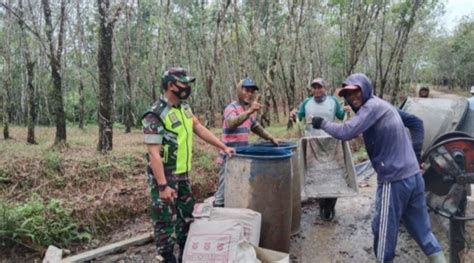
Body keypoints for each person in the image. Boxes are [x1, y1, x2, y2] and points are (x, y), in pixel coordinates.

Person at [311, 73, 446, 262]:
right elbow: (416, 123)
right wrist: (415, 158)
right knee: (423, 232)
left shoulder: (371, 107)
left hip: (394, 180)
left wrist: (322, 123)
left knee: (383, 235)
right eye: (348, 94)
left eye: (356, 91)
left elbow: (347, 131)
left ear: (365, 88)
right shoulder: (383, 105)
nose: (352, 97)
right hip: (413, 177)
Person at [142, 67, 235, 262]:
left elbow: (198, 127)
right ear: (170, 85)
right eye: (183, 83)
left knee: (186, 217)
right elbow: (153, 153)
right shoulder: (155, 114)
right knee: (165, 220)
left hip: (182, 173)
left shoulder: (184, 107)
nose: (187, 87)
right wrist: (162, 186)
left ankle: (186, 253)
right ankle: (166, 257)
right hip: (165, 176)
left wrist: (222, 146)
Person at [213, 78, 280, 207]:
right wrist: (249, 111)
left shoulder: (249, 111)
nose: (249, 94)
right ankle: (218, 213)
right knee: (223, 190)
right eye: (246, 90)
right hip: (228, 158)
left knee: (238, 190)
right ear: (239, 90)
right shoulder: (231, 108)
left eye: (251, 91)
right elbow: (231, 123)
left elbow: (256, 127)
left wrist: (271, 138)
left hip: (242, 158)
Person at [290, 78, 349, 221]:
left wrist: (347, 110)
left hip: (331, 144)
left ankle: (331, 205)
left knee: (333, 175)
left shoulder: (333, 101)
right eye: (314, 87)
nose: (317, 90)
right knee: (317, 176)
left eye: (319, 87)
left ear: (325, 88)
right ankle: (322, 207)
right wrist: (293, 115)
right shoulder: (307, 103)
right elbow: (298, 117)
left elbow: (341, 116)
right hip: (313, 145)